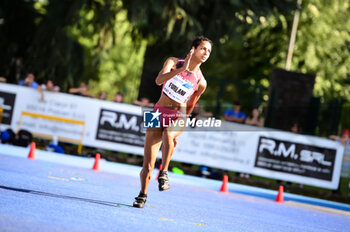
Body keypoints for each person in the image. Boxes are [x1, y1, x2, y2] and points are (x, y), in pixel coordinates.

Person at [133, 36, 212, 208]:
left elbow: (191, 104)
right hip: (156, 112)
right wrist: (181, 69)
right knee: (147, 165)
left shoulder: (201, 81)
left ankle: (164, 172)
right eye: (203, 49)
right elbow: (158, 81)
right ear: (193, 49)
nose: (206, 53)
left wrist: (183, 124)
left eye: (209, 51)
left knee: (169, 134)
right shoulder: (173, 62)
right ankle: (142, 194)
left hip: (178, 115)